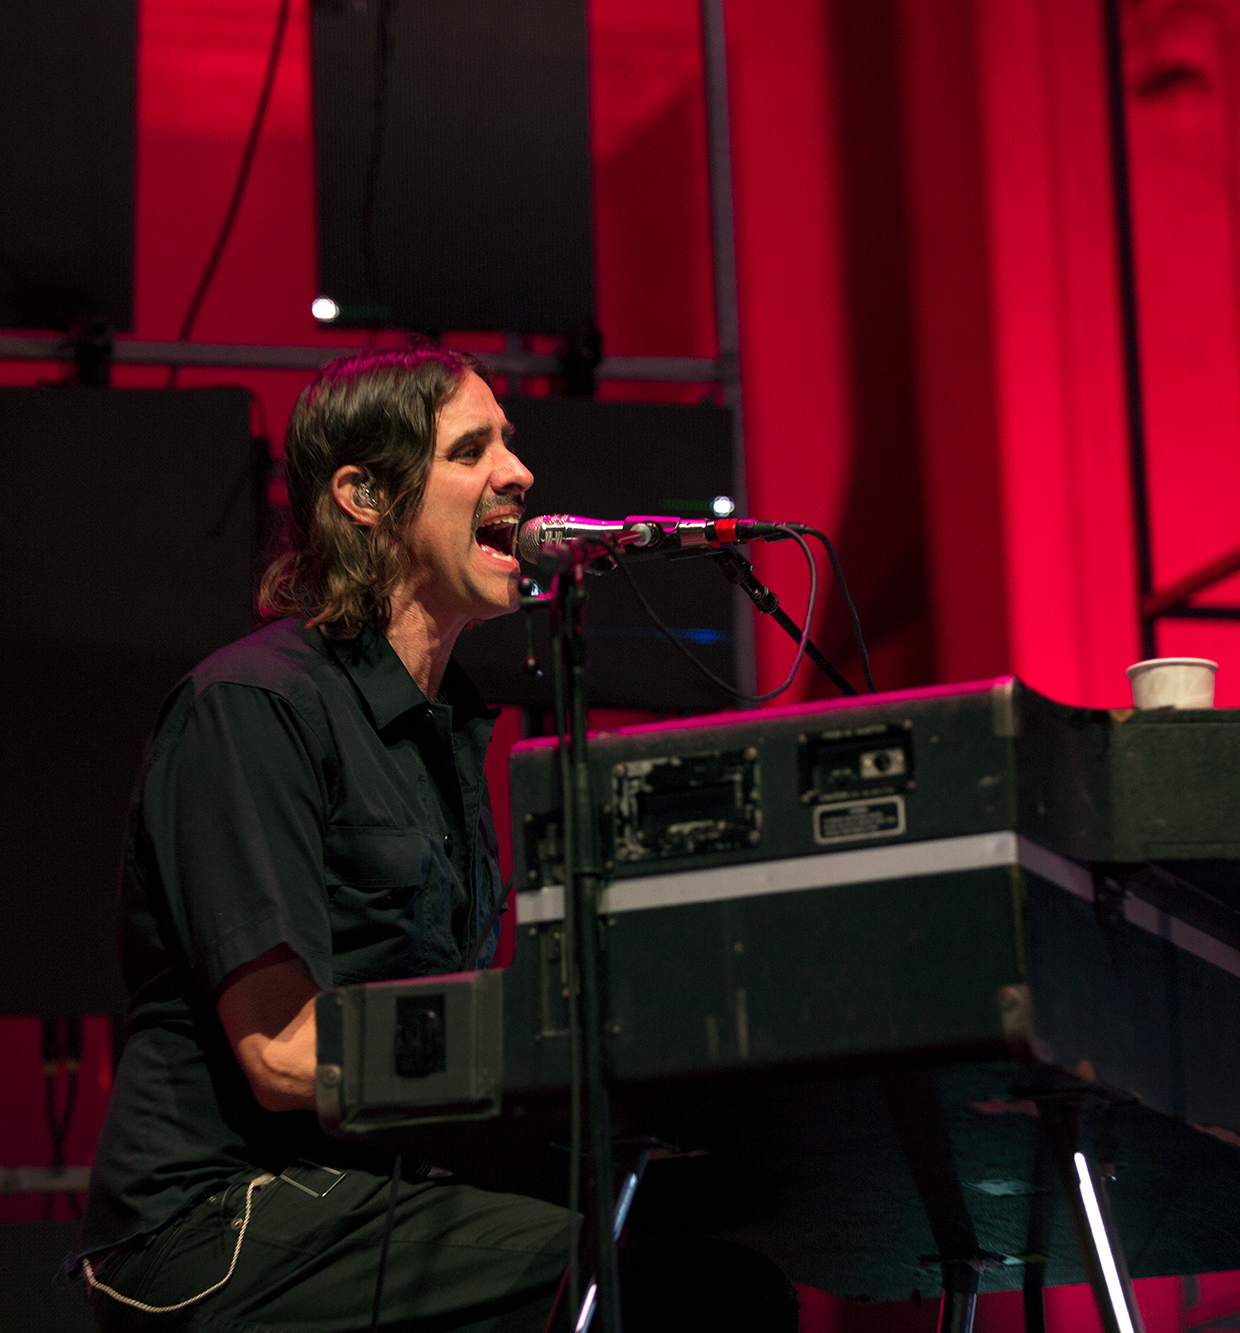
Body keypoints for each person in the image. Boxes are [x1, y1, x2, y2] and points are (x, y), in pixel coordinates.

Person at [70, 347, 798, 1332]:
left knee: (715, 1243)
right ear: (365, 496)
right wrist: (547, 1052)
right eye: (470, 449)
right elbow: (282, 1050)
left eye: (509, 442)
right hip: (215, 1222)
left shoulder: (443, 730)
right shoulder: (250, 706)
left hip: (370, 1194)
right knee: (677, 1291)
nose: (518, 473)